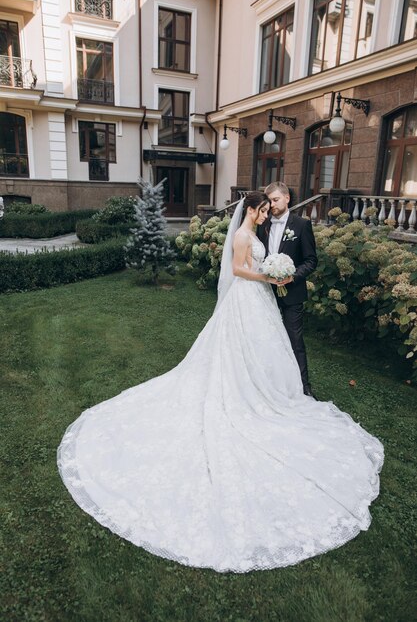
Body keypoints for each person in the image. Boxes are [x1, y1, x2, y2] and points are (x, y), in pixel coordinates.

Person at [58, 191, 383, 574]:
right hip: (248, 296)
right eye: (262, 210)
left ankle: (272, 391)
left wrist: (277, 272)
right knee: (238, 349)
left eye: (267, 210)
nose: (266, 215)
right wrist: (268, 274)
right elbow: (240, 269)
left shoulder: (254, 232)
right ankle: (243, 392)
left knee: (265, 349)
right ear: (251, 210)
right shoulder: (243, 236)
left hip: (259, 298)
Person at [257, 182, 317, 397]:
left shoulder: (301, 225)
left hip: (292, 294)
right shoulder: (262, 224)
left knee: (294, 339)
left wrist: (291, 276)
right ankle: (270, 384)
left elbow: (311, 261)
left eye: (275, 199)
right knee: (267, 339)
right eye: (269, 201)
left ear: (287, 198)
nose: (272, 205)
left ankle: (303, 386)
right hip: (265, 293)